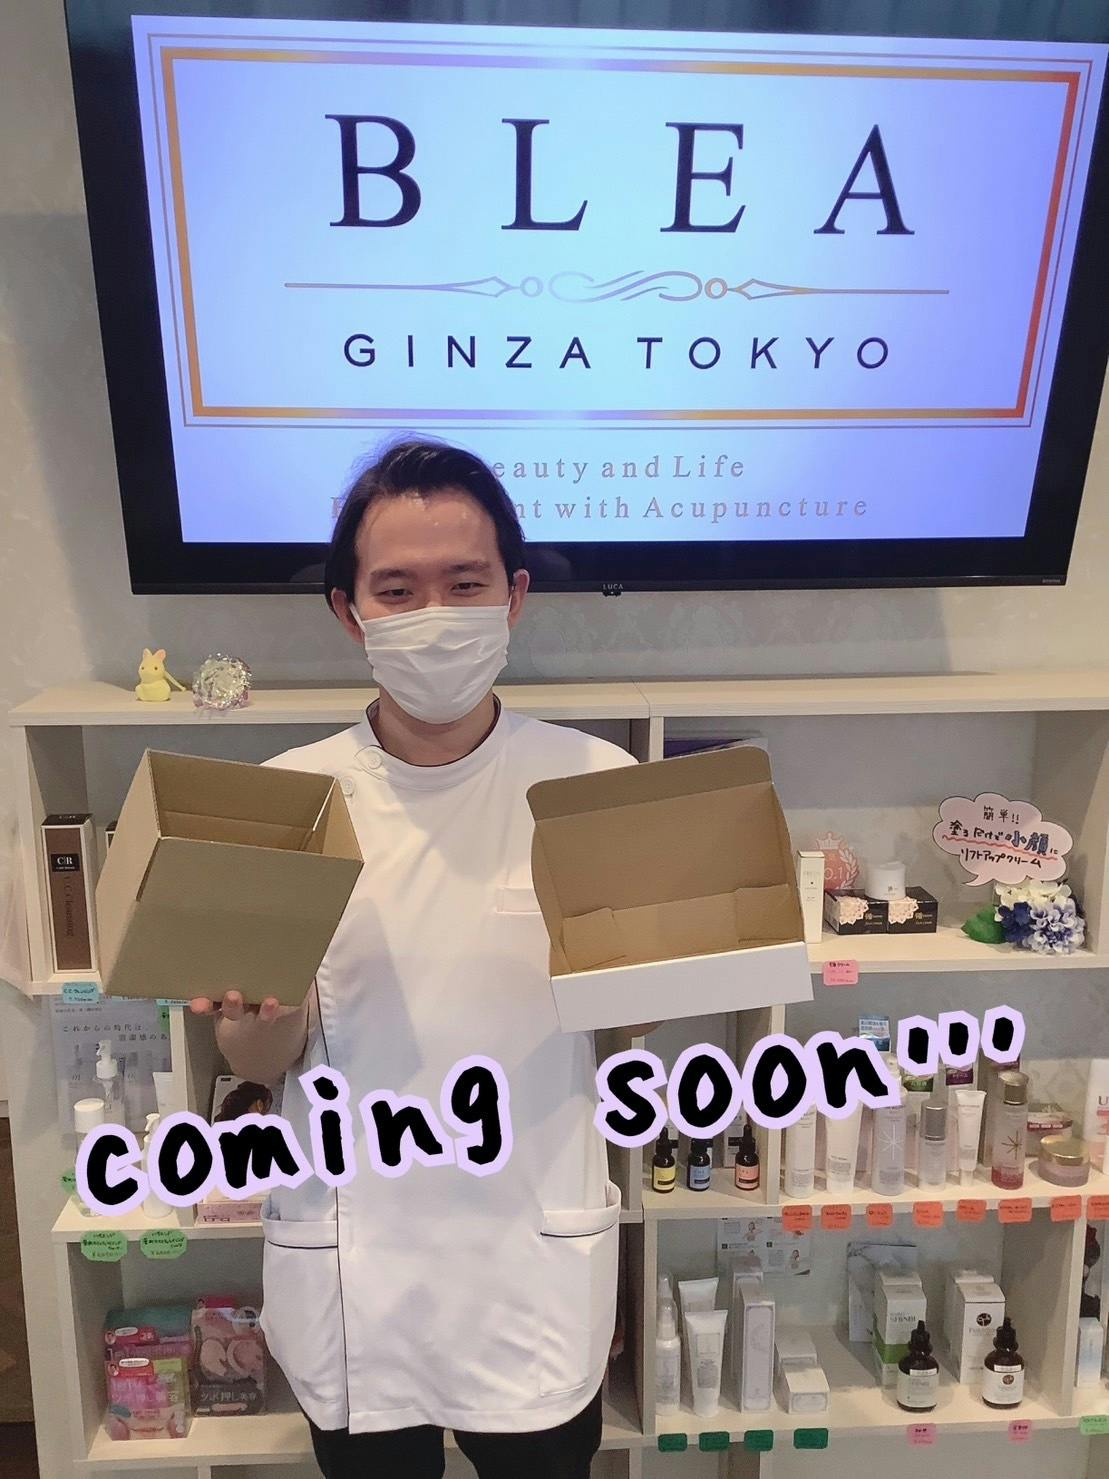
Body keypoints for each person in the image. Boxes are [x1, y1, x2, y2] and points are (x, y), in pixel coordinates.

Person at [191, 440, 655, 1479]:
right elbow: (256, 1059)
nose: (433, 614)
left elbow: (629, 1024)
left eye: (464, 583)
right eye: (397, 589)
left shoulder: (594, 783)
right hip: (359, 1267)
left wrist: (682, 960)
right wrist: (258, 1017)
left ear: (514, 596)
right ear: (349, 611)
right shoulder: (288, 801)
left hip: (529, 1256)